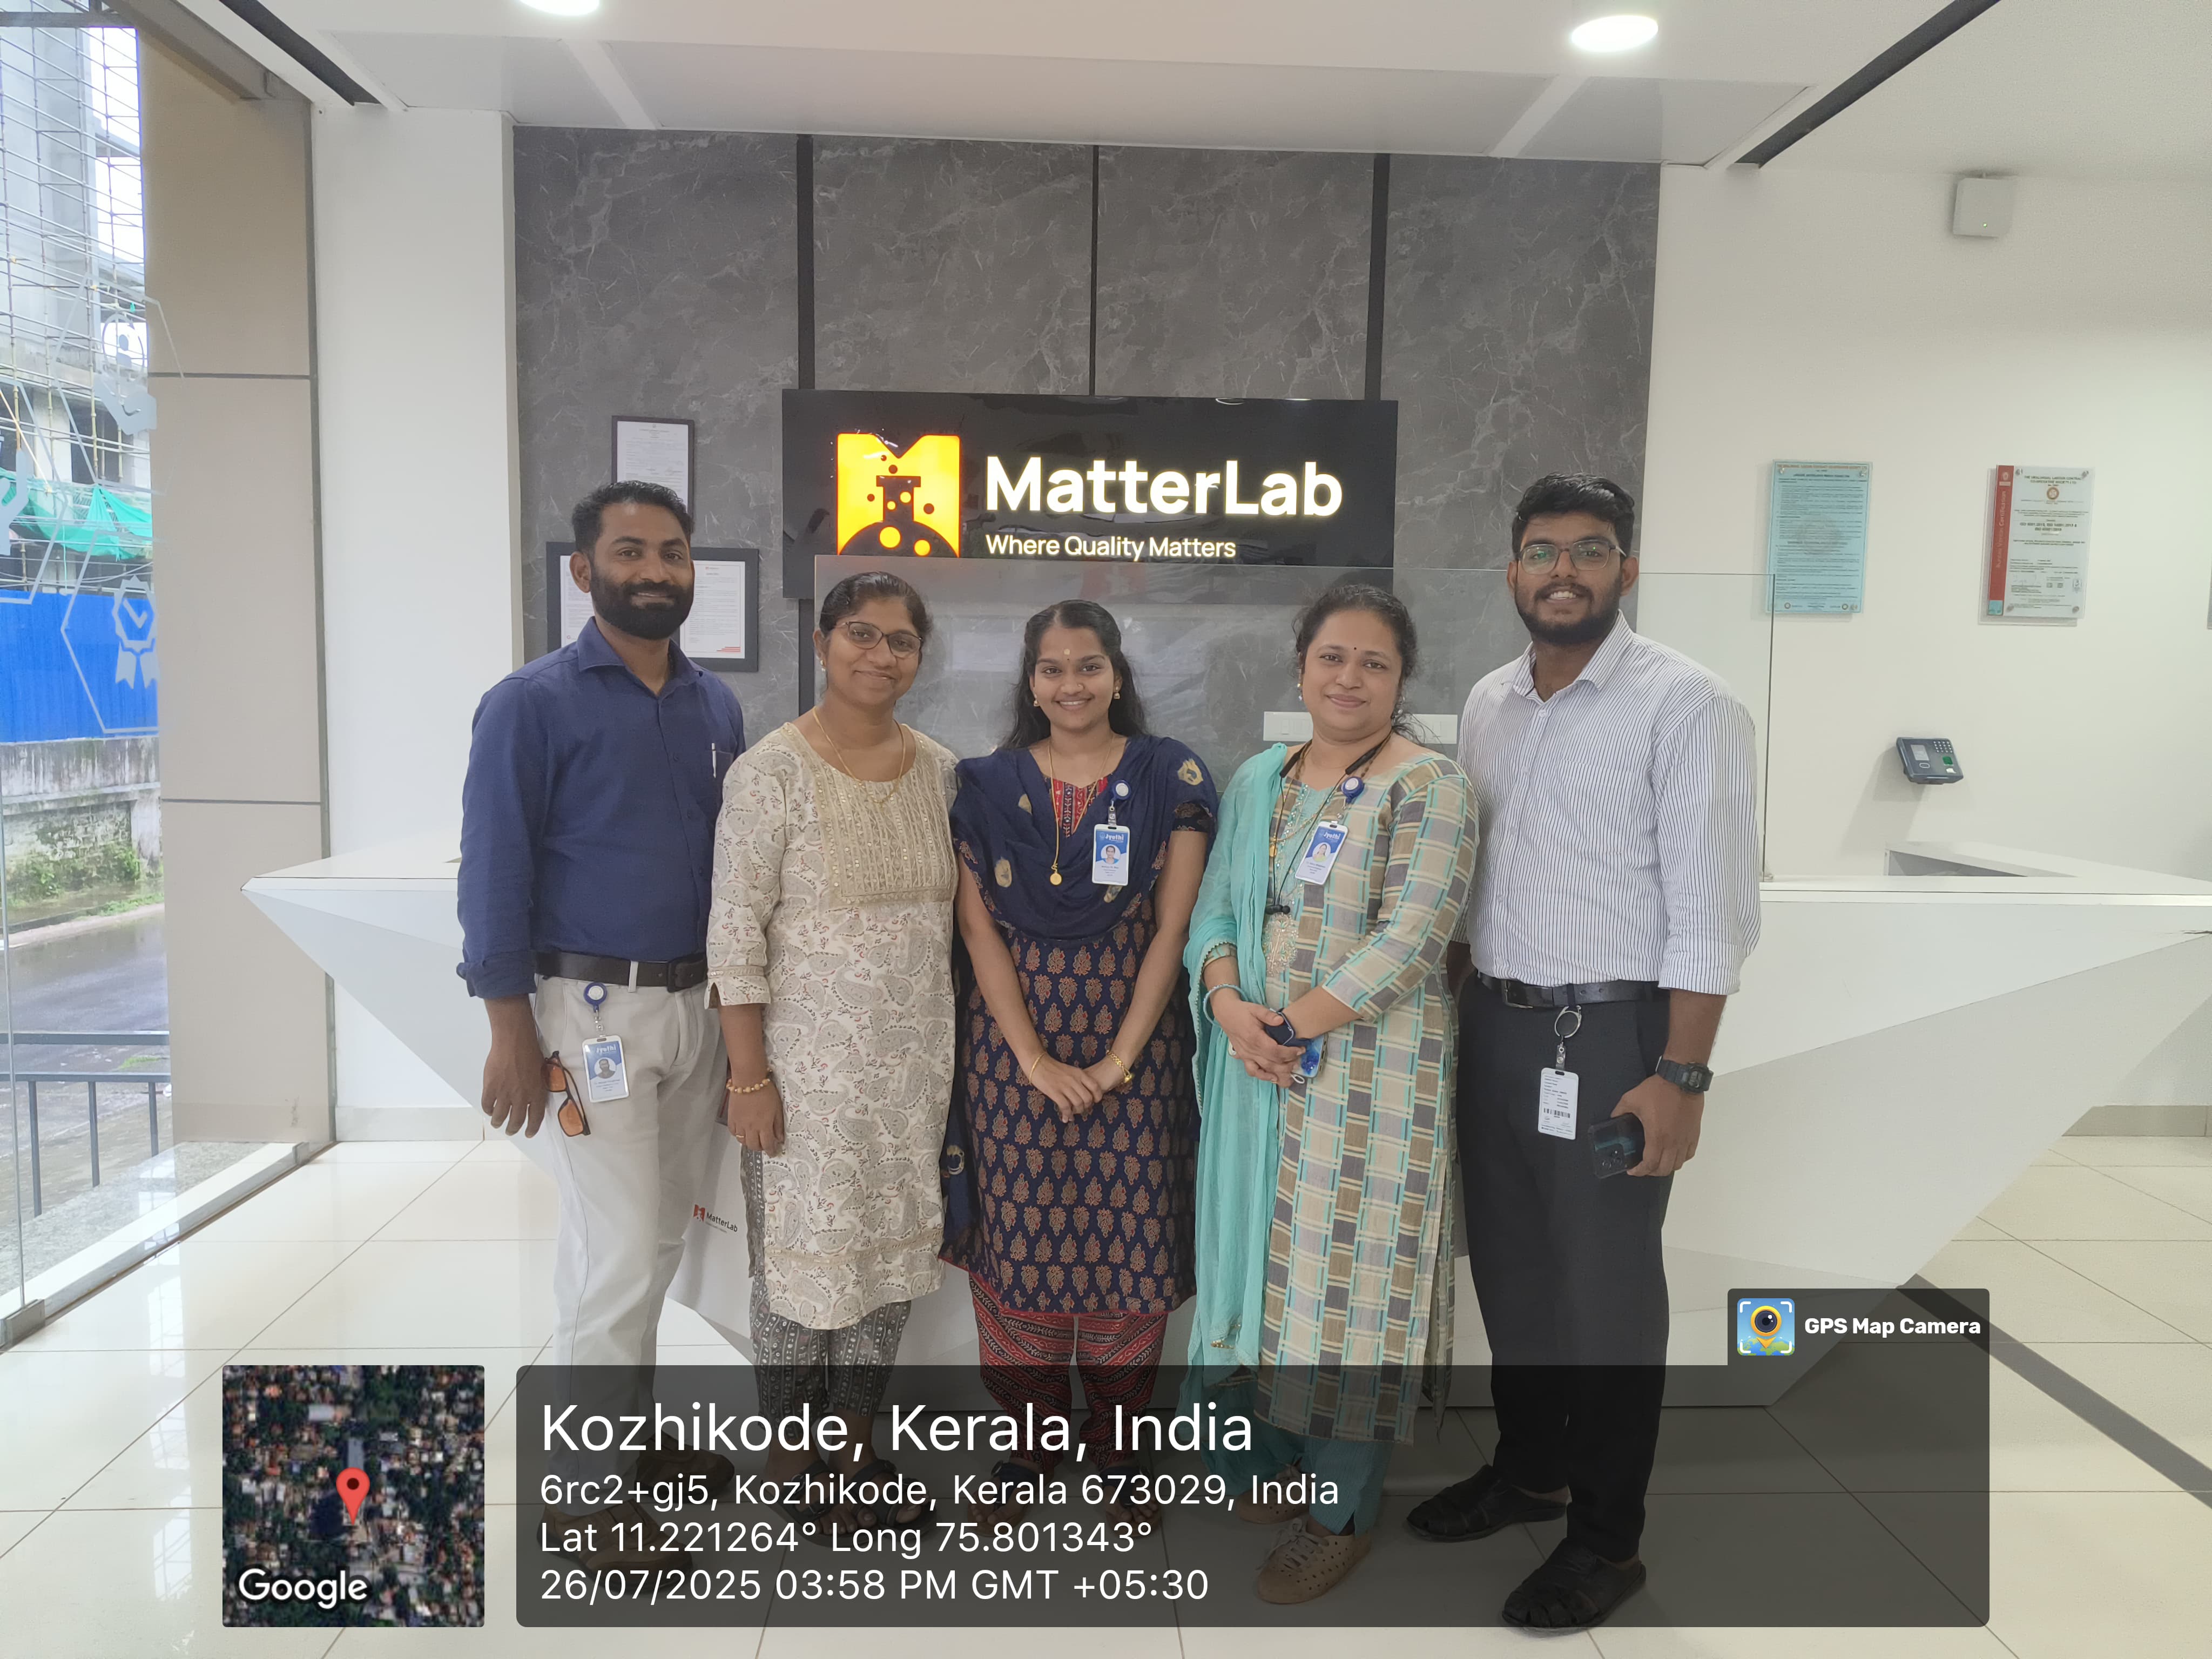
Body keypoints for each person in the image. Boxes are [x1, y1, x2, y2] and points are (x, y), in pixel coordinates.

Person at [1410, 473, 1760, 1631]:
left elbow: (1712, 910)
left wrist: (1681, 1074)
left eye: (1590, 549)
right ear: (1511, 569)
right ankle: (1530, 1471)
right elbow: (1478, 876)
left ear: (1627, 569)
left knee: (1604, 1293)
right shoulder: (1487, 702)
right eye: (1543, 550)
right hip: (1496, 1026)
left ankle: (1607, 1540)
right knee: (1511, 1273)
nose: (1564, 570)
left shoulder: (1687, 704)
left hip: (1615, 1039)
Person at [460, 479, 745, 1552]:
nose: (655, 571)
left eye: (672, 553)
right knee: (616, 1247)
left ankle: (620, 1435)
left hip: (697, 1006)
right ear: (584, 570)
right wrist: (509, 1032)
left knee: (654, 1236)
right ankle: (588, 1495)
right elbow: (494, 869)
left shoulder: (714, 706)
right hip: (591, 1015)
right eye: (631, 552)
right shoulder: (529, 704)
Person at [1187, 583, 1476, 1604]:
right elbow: (1217, 909)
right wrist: (1229, 1006)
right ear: (1301, 666)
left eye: (1374, 663)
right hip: (1254, 1078)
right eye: (1332, 657)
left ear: (1403, 680)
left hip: (1370, 1087)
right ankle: (1270, 1465)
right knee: (1258, 1276)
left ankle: (1341, 1511)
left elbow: (1412, 939)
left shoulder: (1431, 787)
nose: (1349, 678)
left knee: (1349, 1300)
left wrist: (1287, 1026)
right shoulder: (1260, 777)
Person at [942, 601, 1216, 1522]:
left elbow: (1173, 931)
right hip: (1009, 1062)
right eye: (1053, 668)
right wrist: (1031, 1058)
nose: (1072, 684)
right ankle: (1032, 1445)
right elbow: (978, 932)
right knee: (1019, 1247)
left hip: (1137, 1059)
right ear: (1031, 683)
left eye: (1089, 666)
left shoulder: (1169, 776)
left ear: (1117, 676)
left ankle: (1120, 1450)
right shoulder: (984, 786)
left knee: (1128, 1250)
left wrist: (1117, 1061)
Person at [706, 569, 956, 1527]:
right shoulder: (770, 772)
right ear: (822, 643)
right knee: (797, 1277)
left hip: (912, 1077)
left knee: (883, 1276)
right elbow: (735, 934)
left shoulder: (941, 772)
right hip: (802, 1082)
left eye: (901, 640)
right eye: (861, 633)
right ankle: (791, 1465)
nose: (880, 655)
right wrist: (749, 1078)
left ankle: (851, 1454)